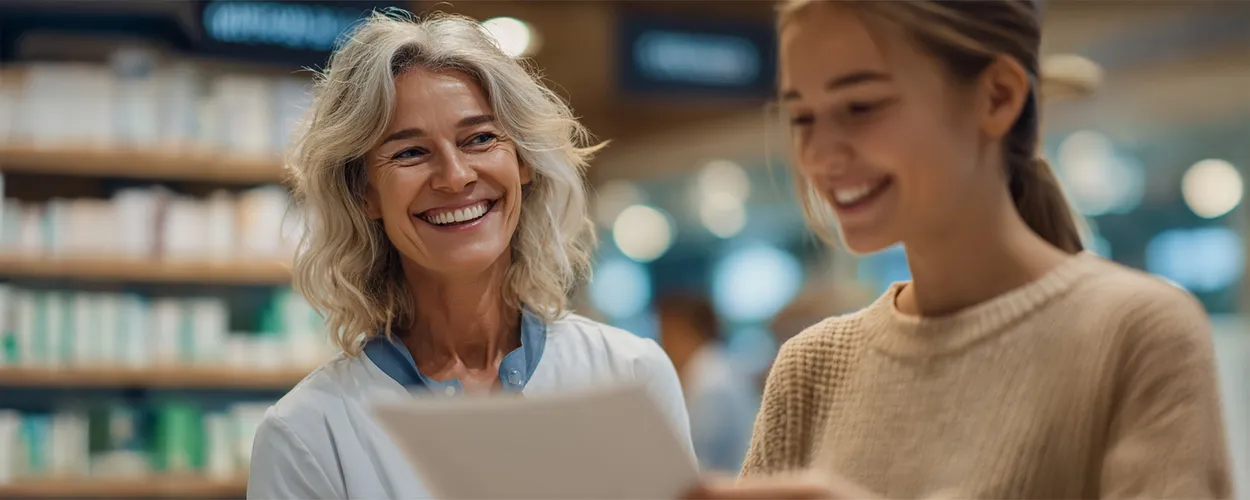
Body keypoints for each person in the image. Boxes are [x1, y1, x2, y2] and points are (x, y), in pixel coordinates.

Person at [690, 1, 1233, 498]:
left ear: (997, 96)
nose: (822, 156)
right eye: (802, 117)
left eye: (861, 106)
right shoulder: (809, 368)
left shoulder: (1136, 334)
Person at [247, 11, 693, 499]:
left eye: (480, 138)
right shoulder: (308, 434)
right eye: (410, 153)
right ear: (364, 194)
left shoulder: (628, 374)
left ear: (522, 160)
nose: (455, 176)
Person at [656, 293, 758, 475]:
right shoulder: (718, 366)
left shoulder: (709, 383)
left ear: (681, 331)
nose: (662, 345)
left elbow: (698, 460)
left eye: (664, 334)